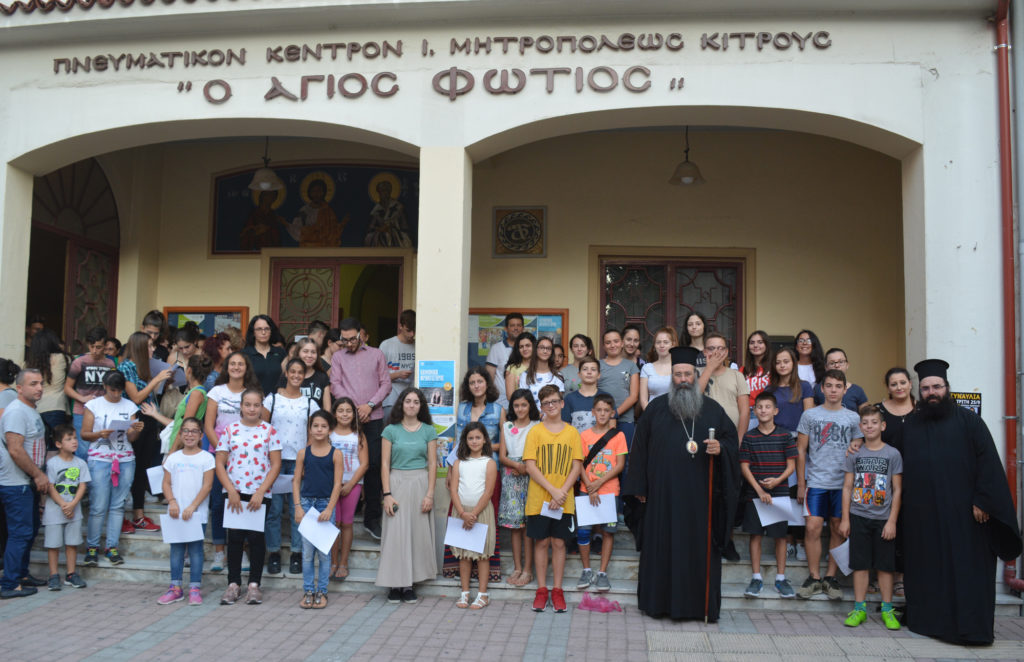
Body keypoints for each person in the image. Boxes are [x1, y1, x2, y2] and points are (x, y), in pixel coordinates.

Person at [900, 359, 1022, 645]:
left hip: (967, 517)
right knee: (929, 569)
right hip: (925, 517)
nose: (932, 392)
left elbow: (989, 465)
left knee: (968, 572)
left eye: (937, 387)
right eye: (927, 388)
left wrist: (983, 501)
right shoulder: (912, 426)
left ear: (947, 388)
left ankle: (972, 630)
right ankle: (929, 622)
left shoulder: (969, 422)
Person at [622, 346, 740, 621]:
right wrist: (638, 488)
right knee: (662, 548)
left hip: (700, 499)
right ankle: (659, 605)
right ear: (672, 377)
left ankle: (698, 607)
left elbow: (732, 445)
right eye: (678, 375)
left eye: (688, 374)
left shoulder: (713, 410)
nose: (684, 379)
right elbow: (638, 451)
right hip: (662, 497)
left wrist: (720, 448)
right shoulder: (655, 409)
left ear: (695, 375)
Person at [795, 369, 863, 600]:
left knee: (837, 527)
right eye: (829, 385)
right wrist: (801, 484)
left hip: (842, 484)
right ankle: (814, 577)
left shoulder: (853, 418)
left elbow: (857, 450)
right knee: (813, 527)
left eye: (838, 386)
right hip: (816, 481)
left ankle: (830, 577)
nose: (833, 390)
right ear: (822, 389)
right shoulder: (810, 416)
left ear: (845, 389)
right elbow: (801, 451)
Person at [216, 388, 282, 606]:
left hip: (259, 493)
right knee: (234, 538)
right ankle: (233, 584)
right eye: (248, 404)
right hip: (235, 492)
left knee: (256, 538)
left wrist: (261, 490)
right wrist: (231, 490)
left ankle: (254, 584)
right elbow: (220, 463)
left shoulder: (269, 431)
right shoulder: (230, 430)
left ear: (261, 406)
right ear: (241, 406)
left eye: (256, 405)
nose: (252, 409)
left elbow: (276, 464)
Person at [839, 404, 903, 630]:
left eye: (874, 422)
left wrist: (892, 521)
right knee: (860, 565)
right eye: (865, 423)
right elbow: (847, 487)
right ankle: (859, 608)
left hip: (883, 519)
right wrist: (845, 518)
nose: (869, 426)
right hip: (858, 516)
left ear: (883, 425)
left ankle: (887, 609)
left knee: (885, 567)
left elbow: (897, 490)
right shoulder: (854, 453)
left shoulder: (892, 454)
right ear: (860, 427)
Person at [329, 317, 390, 541]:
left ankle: (371, 518)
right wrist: (355, 408)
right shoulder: (337, 357)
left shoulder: (376, 354)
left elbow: (386, 383)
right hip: (347, 418)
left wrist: (369, 405)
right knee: (344, 462)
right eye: (344, 340)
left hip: (373, 417)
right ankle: (347, 508)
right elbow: (335, 384)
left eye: (352, 339)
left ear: (361, 335)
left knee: (373, 465)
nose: (349, 344)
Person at [524, 385, 583, 614]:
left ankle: (557, 590)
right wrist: (553, 491)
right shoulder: (535, 432)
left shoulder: (571, 433)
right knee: (541, 542)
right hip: (540, 498)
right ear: (541, 407)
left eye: (554, 401)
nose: (551, 406)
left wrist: (562, 492)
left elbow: (576, 466)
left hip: (564, 498)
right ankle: (541, 589)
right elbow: (530, 466)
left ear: (562, 403)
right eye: (546, 403)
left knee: (559, 543)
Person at [377, 387, 438, 605]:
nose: (411, 405)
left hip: (421, 483)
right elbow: (384, 464)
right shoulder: (390, 430)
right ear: (401, 404)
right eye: (408, 401)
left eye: (416, 402)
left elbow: (432, 464)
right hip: (396, 483)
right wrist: (387, 494)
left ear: (421, 406)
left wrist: (430, 494)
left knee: (415, 534)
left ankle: (409, 584)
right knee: (396, 534)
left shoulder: (429, 431)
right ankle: (395, 584)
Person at [263, 358, 320, 575]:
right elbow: (264, 429)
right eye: (292, 371)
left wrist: (305, 459)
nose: (296, 375)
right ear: (286, 373)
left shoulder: (309, 404)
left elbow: (313, 433)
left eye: (300, 372)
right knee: (274, 510)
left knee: (299, 509)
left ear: (304, 375)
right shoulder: (272, 400)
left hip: (298, 461)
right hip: (275, 461)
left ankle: (297, 553)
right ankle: (274, 553)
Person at [81, 370, 144, 568]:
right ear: (105, 387)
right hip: (100, 458)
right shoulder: (94, 405)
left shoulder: (130, 405)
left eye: (119, 391)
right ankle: (92, 547)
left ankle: (112, 547)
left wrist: (134, 431)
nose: (116, 394)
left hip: (124, 458)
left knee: (118, 506)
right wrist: (99, 434)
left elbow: (132, 439)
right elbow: (84, 434)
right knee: (98, 506)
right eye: (112, 390)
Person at [204, 351, 259, 573]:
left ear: (247, 368)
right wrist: (223, 452)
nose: (236, 367)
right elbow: (208, 425)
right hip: (218, 453)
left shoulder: (251, 394)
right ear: (227, 367)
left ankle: (243, 550)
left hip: (246, 458)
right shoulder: (217, 391)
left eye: (241, 364)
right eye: (233, 364)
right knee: (218, 503)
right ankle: (220, 552)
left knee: (243, 502)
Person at [739, 392, 797, 599]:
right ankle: (756, 578)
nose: (763, 410)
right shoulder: (749, 437)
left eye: (767, 407)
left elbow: (792, 465)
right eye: (759, 407)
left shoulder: (784, 436)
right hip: (755, 494)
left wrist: (777, 481)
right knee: (756, 535)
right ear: (755, 411)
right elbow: (745, 467)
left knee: (780, 537)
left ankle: (781, 579)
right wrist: (760, 490)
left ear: (775, 411)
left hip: (779, 493)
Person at [0, 368, 49, 598]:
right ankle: (9, 583)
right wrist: (38, 475)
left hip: (27, 481)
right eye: (33, 384)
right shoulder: (16, 412)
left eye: (40, 383)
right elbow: (15, 450)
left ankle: (21, 574)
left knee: (29, 531)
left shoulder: (30, 410)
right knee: (20, 533)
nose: (39, 387)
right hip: (15, 482)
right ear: (19, 388)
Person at [157, 417, 215, 606]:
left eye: (194, 431)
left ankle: (195, 588)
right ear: (180, 435)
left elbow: (207, 486)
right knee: (176, 550)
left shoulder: (206, 458)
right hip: (175, 512)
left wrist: (192, 506)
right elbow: (165, 483)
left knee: (196, 550)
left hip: (196, 513)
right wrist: (172, 502)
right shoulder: (173, 458)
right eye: (186, 431)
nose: (190, 435)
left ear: (201, 435)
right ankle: (175, 588)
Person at [119, 331, 173, 533]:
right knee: (129, 469)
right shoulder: (127, 366)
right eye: (150, 346)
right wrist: (156, 379)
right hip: (135, 422)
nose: (153, 350)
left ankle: (139, 515)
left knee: (142, 468)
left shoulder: (143, 367)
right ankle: (123, 514)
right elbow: (135, 398)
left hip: (149, 421)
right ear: (140, 347)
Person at [575, 393, 627, 593]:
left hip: (609, 491)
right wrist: (589, 486)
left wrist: (598, 484)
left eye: (607, 410)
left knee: (608, 531)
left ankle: (602, 572)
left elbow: (620, 465)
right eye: (599, 410)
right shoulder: (584, 436)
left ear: (612, 412)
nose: (603, 414)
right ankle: (587, 569)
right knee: (584, 530)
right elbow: (578, 463)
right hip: (586, 490)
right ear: (593, 412)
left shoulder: (618, 436)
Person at [293, 410, 344, 609]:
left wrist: (330, 508)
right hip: (306, 505)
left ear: (330, 429)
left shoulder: (336, 454)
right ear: (310, 428)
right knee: (307, 553)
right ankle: (308, 590)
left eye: (323, 426)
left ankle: (322, 591)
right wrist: (298, 507)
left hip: (325, 506)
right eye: (315, 426)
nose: (319, 430)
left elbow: (337, 484)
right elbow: (296, 481)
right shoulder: (302, 453)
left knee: (324, 553)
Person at [450, 422, 498, 610]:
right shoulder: (459, 463)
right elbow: (453, 489)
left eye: (478, 437)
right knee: (464, 555)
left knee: (482, 555)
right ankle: (464, 593)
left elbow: (488, 492)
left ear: (484, 439)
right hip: (461, 511)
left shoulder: (489, 463)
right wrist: (462, 512)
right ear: (465, 440)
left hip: (481, 512)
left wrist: (474, 513)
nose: (474, 441)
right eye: (470, 438)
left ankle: (483, 594)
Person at [498, 388, 539, 587]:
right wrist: (517, 466)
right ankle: (517, 567)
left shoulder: (537, 426)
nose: (520, 409)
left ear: (530, 405)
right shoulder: (506, 426)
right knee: (515, 527)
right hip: (511, 477)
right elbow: (503, 455)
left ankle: (528, 570)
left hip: (531, 476)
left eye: (524, 404)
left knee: (529, 526)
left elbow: (539, 454)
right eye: (516, 405)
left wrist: (526, 469)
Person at [42, 424, 90, 591]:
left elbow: (82, 485)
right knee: (53, 545)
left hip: (74, 510)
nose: (74, 442)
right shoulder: (52, 463)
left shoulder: (81, 463)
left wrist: (73, 504)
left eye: (75, 438)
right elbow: (50, 486)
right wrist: (63, 504)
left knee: (72, 543)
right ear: (58, 444)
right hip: (55, 510)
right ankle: (54, 575)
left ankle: (71, 574)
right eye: (68, 439)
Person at [328, 398, 368, 581]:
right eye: (341, 410)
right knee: (333, 523)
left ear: (354, 414)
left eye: (348, 411)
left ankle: (344, 562)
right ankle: (333, 562)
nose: (344, 414)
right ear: (334, 413)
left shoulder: (358, 435)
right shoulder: (329, 434)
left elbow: (364, 463)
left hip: (353, 484)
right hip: (331, 485)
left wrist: (351, 483)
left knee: (347, 523)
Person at [65, 326, 115, 461]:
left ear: (105, 346)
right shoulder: (79, 362)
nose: (94, 351)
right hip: (81, 410)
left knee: (103, 449)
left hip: (103, 411)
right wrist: (82, 398)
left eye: (98, 347)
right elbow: (67, 388)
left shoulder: (110, 363)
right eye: (92, 346)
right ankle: (83, 482)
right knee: (82, 449)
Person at [147, 353, 212, 456]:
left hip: (182, 448)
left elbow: (185, 425)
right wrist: (155, 413)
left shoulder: (196, 393)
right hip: (180, 446)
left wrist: (172, 452)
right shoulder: (195, 392)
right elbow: (179, 421)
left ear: (189, 370)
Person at [698, 333, 751, 436]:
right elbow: (694, 396)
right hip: (702, 434)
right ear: (704, 352)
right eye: (711, 348)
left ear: (726, 352)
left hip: (730, 435)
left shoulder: (737, 375)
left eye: (720, 348)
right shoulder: (695, 372)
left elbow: (745, 412)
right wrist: (709, 368)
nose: (716, 352)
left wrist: (739, 440)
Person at [26, 328, 70, 446]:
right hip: (56, 406)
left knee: (38, 448)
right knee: (58, 447)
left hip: (35, 408)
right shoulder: (62, 358)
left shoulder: (28, 363)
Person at [598, 329, 640, 445]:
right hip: (601, 419)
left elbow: (634, 396)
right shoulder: (597, 365)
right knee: (603, 456)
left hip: (625, 420)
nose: (612, 345)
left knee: (625, 459)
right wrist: (606, 414)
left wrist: (615, 413)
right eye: (608, 342)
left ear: (622, 343)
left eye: (616, 341)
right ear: (603, 346)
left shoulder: (631, 366)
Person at [379, 309, 416, 423]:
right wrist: (397, 374)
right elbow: (377, 376)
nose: (412, 334)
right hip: (390, 396)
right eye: (408, 330)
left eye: (414, 330)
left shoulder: (419, 346)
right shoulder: (386, 345)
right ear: (400, 326)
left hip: (413, 395)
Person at [278, 337, 331, 411]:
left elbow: (327, 409)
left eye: (313, 352)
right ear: (298, 353)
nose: (309, 355)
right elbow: (280, 404)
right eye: (305, 351)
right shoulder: (287, 376)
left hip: (315, 421)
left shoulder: (322, 376)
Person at [486, 312, 525, 408]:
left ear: (523, 328)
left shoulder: (528, 349)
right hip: (501, 401)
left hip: (525, 399)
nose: (516, 328)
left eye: (519, 325)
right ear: (506, 328)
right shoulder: (496, 348)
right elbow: (489, 376)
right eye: (512, 325)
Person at [243, 315, 288, 398]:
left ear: (271, 331)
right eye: (259, 329)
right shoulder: (245, 354)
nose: (263, 332)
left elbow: (287, 377)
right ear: (253, 332)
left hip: (277, 402)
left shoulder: (280, 352)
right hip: (254, 403)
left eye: (266, 329)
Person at [813, 348, 869, 412]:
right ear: (826, 367)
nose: (837, 365)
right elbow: (812, 416)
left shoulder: (857, 391)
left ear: (847, 365)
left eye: (841, 362)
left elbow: (866, 417)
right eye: (832, 363)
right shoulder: (818, 389)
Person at [561, 356, 606, 432]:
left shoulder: (606, 398)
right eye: (585, 369)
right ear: (579, 374)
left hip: (601, 443)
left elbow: (611, 429)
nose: (589, 372)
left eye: (593, 369)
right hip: (577, 443)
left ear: (599, 375)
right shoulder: (569, 399)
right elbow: (565, 431)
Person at [519, 336, 564, 407]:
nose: (545, 351)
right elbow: (523, 401)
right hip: (532, 416)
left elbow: (558, 404)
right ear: (536, 350)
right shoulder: (525, 375)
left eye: (548, 348)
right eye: (542, 347)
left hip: (552, 416)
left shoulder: (558, 376)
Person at [640, 327, 677, 409]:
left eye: (666, 342)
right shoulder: (647, 368)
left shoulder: (678, 367)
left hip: (675, 415)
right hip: (652, 416)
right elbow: (643, 400)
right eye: (658, 342)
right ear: (654, 346)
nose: (662, 345)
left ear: (673, 344)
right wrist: (650, 417)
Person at [741, 330, 773, 415]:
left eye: (760, 342)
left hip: (767, 412)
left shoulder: (774, 368)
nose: (755, 345)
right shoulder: (742, 370)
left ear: (766, 345)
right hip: (748, 412)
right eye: (752, 343)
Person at [504, 332, 535, 400]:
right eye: (521, 347)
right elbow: (510, 397)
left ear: (534, 346)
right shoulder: (512, 369)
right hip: (520, 408)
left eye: (528, 346)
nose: (524, 349)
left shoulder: (540, 366)